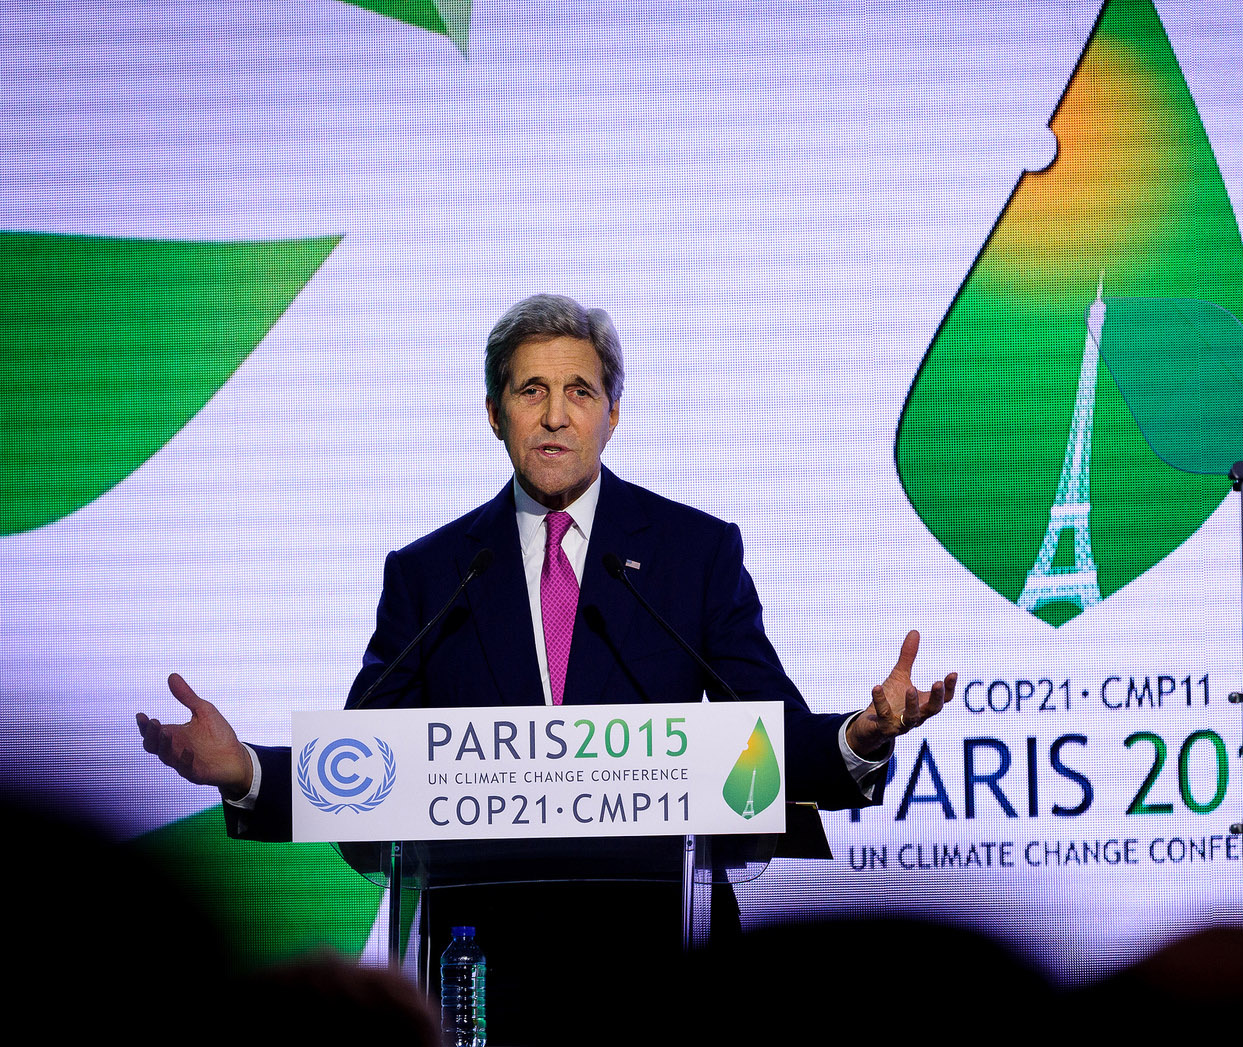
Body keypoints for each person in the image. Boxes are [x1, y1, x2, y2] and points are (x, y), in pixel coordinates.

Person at [137, 293, 957, 1030]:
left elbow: (767, 731)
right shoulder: (432, 573)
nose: (556, 414)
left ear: (613, 415)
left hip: (662, 960)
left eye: (580, 392)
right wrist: (245, 768)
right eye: (531, 391)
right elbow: (369, 766)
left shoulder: (691, 553)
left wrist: (863, 732)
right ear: (495, 414)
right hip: (485, 976)